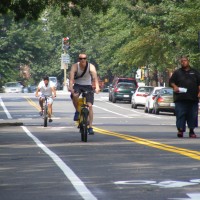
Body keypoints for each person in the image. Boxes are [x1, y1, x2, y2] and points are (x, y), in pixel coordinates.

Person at [68, 53, 100, 135]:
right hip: (78, 85)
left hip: (88, 86)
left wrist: (97, 87)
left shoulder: (91, 66)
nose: (83, 60)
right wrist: (71, 87)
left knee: (89, 105)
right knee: (74, 96)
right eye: (81, 58)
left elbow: (95, 77)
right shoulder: (75, 66)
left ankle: (90, 127)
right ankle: (77, 111)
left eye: (84, 58)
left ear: (86, 59)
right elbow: (71, 78)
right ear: (78, 59)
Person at [169, 56, 200, 138]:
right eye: (182, 61)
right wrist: (175, 87)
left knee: (193, 115)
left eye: (185, 61)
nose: (183, 62)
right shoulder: (177, 72)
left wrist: (199, 93)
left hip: (193, 99)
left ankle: (192, 131)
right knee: (180, 114)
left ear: (188, 61)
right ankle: (180, 130)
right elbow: (171, 82)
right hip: (180, 98)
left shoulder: (195, 72)